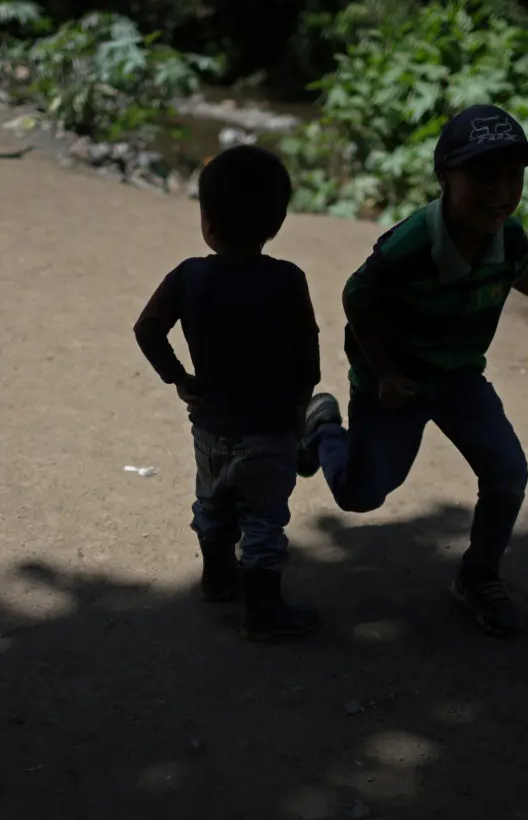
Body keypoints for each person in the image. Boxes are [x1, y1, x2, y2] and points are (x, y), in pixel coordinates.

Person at [298, 104, 528, 641]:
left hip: (460, 376)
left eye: (513, 175)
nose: (502, 191)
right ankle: (322, 426)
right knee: (361, 495)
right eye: (485, 175)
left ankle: (479, 577)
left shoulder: (507, 236)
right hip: (394, 382)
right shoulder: (410, 244)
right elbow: (356, 297)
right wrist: (386, 372)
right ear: (445, 178)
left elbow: (518, 271)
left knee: (507, 471)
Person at [133, 145, 322, 642]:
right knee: (263, 520)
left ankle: (216, 579)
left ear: (208, 222)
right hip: (270, 429)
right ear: (276, 223)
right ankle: (263, 611)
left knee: (211, 505)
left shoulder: (190, 275)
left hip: (211, 425)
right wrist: (299, 411)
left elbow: (147, 329)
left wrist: (179, 378)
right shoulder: (287, 279)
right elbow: (308, 357)